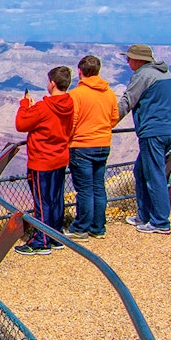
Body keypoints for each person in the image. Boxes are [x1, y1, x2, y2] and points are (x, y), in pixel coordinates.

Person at [117, 43, 171, 235]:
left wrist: (104, 123)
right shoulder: (164, 74)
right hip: (169, 129)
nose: (127, 62)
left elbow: (127, 101)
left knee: (154, 175)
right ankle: (143, 215)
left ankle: (160, 222)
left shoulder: (143, 75)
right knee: (142, 171)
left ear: (138, 60)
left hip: (153, 131)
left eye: (129, 58)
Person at [14, 66, 74, 255]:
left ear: (52, 83)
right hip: (60, 158)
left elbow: (21, 124)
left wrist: (24, 105)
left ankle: (42, 240)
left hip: (42, 161)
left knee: (42, 201)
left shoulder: (44, 107)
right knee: (55, 199)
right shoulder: (69, 103)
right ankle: (55, 235)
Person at [65, 55, 118, 242]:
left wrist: (68, 139)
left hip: (81, 146)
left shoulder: (76, 95)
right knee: (98, 187)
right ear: (98, 71)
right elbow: (114, 118)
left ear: (80, 72)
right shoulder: (109, 93)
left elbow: (71, 122)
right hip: (103, 145)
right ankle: (98, 227)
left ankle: (80, 228)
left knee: (85, 190)